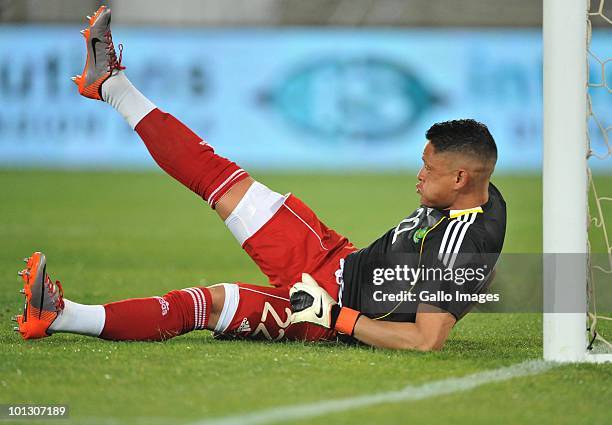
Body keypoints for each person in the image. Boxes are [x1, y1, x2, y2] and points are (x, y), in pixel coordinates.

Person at [13, 6, 506, 351]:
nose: (417, 177)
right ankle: (112, 87)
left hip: (328, 310)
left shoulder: (464, 247)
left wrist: (332, 316)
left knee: (206, 301)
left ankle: (62, 316)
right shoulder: (479, 193)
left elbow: (425, 341)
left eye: (429, 169)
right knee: (217, 179)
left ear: (462, 176)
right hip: (333, 257)